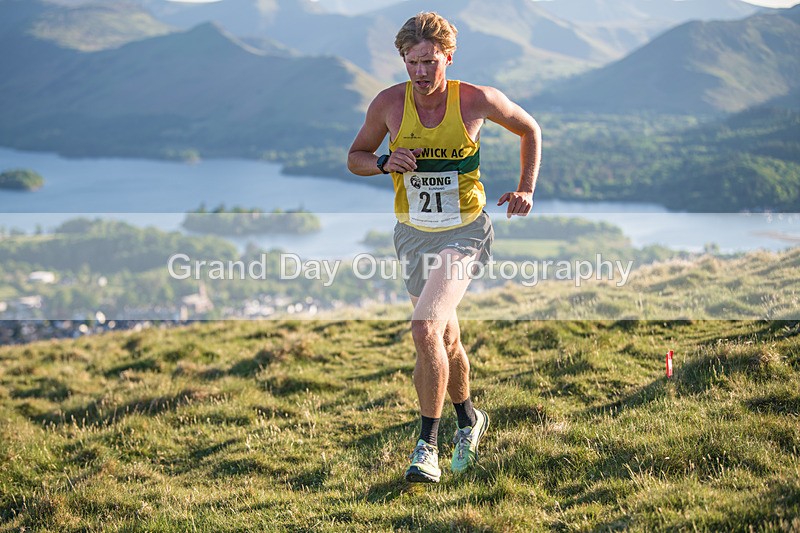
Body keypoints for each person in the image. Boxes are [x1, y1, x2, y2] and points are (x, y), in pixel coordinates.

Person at [347, 12, 541, 483]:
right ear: (403, 60)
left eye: (430, 62)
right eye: (412, 62)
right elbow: (354, 159)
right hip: (412, 234)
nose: (420, 72)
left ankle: (425, 447)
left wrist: (525, 188)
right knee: (445, 339)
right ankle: (469, 420)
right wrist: (383, 161)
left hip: (465, 231)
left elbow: (530, 130)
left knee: (424, 327)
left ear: (447, 58)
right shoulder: (388, 105)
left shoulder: (476, 100)